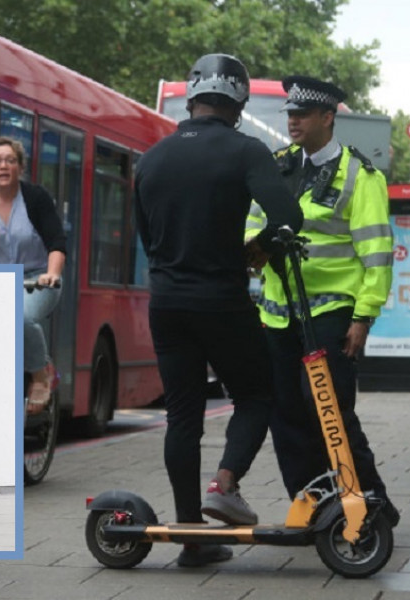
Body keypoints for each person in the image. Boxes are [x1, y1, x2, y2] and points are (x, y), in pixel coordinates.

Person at [134, 53, 303, 567]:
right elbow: (288, 216)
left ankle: (192, 539)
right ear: (238, 101)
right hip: (222, 300)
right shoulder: (246, 150)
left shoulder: (153, 157)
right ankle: (225, 485)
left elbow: (146, 236)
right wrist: (261, 249)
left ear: (192, 97)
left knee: (182, 417)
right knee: (257, 393)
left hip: (166, 303)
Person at [245, 75, 399, 526]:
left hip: (332, 313)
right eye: (289, 114)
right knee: (286, 413)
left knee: (330, 411)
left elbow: (377, 253)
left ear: (327, 118)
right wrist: (253, 247)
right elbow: (251, 226)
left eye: (302, 114)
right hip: (278, 315)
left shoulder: (360, 176)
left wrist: (364, 316)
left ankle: (372, 503)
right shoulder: (274, 167)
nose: (292, 121)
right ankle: (315, 506)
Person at [0, 137, 66, 413]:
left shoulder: (35, 198)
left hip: (36, 281)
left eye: (10, 160)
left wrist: (52, 274)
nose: (4, 166)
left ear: (20, 167)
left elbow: (57, 242)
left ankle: (40, 372)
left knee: (20, 316)